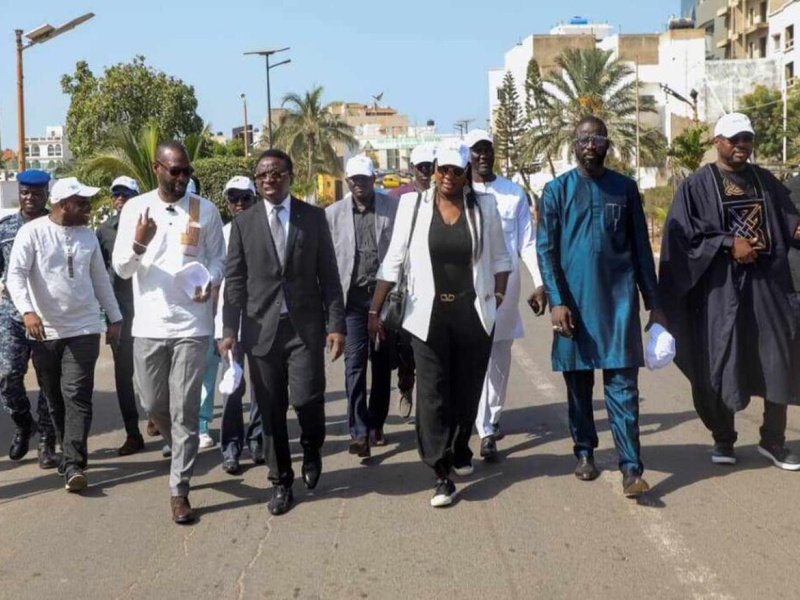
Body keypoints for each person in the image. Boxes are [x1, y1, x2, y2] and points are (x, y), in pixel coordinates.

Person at [369, 140, 512, 508]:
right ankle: (441, 473)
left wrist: (496, 298)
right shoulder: (412, 205)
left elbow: (500, 259)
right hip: (426, 316)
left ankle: (460, 445)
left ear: (467, 174)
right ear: (434, 170)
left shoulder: (485, 207)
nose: (449, 177)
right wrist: (375, 310)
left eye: (456, 171)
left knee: (466, 393)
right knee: (432, 396)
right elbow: (393, 259)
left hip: (473, 315)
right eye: (443, 169)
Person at [660, 112, 800, 470]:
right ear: (717, 143)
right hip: (719, 291)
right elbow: (681, 239)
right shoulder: (697, 186)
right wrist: (726, 243)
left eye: (747, 140)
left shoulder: (765, 181)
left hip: (766, 286)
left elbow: (789, 224)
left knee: (777, 356)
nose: (742, 147)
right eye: (734, 140)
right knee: (721, 358)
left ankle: (774, 440)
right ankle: (724, 439)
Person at [536, 116, 664, 498]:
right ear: (573, 145)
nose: (590, 145)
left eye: (597, 139)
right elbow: (546, 250)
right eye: (583, 139)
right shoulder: (556, 190)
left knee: (623, 388)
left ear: (608, 145)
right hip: (572, 304)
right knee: (578, 384)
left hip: (619, 304)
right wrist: (557, 301)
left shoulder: (624, 189)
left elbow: (642, 250)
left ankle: (631, 469)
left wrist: (654, 305)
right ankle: (585, 450)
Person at [221, 149, 345, 516]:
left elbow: (330, 276)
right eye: (262, 176)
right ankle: (281, 482)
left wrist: (335, 325)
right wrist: (229, 328)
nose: (269, 180)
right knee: (271, 409)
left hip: (304, 328)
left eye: (276, 174)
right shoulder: (244, 224)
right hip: (260, 331)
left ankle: (311, 446)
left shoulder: (312, 217)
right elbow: (234, 281)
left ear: (289, 176)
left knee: (307, 398)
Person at [113, 141, 226, 524]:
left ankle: (180, 489)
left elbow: (218, 259)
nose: (181, 178)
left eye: (186, 171)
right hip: (148, 325)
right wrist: (138, 244)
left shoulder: (204, 209)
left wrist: (209, 280)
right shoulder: (135, 208)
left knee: (185, 409)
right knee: (152, 401)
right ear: (155, 168)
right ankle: (176, 441)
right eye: (174, 171)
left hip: (193, 325)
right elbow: (122, 270)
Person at [6, 177, 122, 492]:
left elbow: (100, 280)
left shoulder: (87, 237)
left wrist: (115, 318)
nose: (89, 208)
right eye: (82, 203)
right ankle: (65, 447)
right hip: (44, 331)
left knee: (77, 395)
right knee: (53, 397)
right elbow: (14, 275)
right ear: (64, 204)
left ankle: (73, 463)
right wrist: (28, 311)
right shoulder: (32, 232)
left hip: (83, 328)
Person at [463, 129, 547, 460]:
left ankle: (490, 423)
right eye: (476, 150)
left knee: (498, 358)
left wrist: (539, 282)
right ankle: (479, 422)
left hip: (505, 292)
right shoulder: (460, 192)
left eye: (488, 149)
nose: (483, 155)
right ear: (468, 155)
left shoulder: (513, 194)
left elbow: (527, 243)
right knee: (471, 359)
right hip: (467, 290)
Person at [326, 154, 397, 458]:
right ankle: (357, 431)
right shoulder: (332, 214)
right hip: (352, 301)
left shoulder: (392, 208)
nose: (359, 185)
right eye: (354, 180)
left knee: (381, 366)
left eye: (364, 179)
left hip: (384, 300)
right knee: (354, 365)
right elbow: (327, 262)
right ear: (347, 182)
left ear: (374, 179)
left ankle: (375, 422)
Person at [0, 170, 57, 467]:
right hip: (12, 314)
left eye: (35, 193)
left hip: (48, 316)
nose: (29, 198)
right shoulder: (6, 227)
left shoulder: (55, 225)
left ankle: (47, 441)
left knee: (48, 381)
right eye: (24, 192)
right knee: (7, 375)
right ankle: (23, 423)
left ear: (46, 193)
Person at [213, 175, 263, 475]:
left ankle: (257, 440)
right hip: (229, 325)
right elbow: (216, 283)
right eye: (234, 199)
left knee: (262, 388)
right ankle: (231, 447)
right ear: (227, 203)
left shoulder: (265, 230)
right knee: (232, 388)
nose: (240, 203)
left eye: (245, 197)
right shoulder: (221, 235)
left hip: (260, 322)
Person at [97, 175, 145, 456]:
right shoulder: (104, 232)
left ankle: (157, 419)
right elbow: (99, 275)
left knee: (155, 374)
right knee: (124, 376)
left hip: (151, 311)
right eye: (116, 195)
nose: (119, 199)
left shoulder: (154, 224)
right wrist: (106, 315)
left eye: (125, 195)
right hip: (121, 314)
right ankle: (132, 433)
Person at [391, 143, 437, 419]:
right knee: (407, 347)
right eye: (421, 167)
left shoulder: (445, 195)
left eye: (430, 167)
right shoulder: (397, 198)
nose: (426, 172)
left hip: (440, 282)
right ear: (412, 168)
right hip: (407, 286)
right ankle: (406, 386)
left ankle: (431, 410)